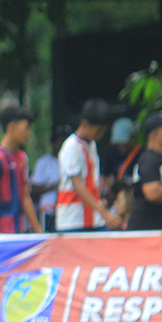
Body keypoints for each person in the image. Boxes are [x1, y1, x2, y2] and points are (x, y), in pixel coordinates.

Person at [55, 99, 121, 232]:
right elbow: (78, 185)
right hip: (73, 220)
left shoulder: (91, 145)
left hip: (93, 217)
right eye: (98, 131)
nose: (100, 136)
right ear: (84, 124)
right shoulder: (71, 146)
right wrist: (104, 212)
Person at [0, 105, 42, 234]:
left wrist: (38, 230)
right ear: (11, 127)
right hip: (2, 231)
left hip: (18, 229)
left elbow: (25, 195)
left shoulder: (22, 157)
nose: (28, 133)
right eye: (26, 128)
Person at [129, 111, 162, 231]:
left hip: (161, 232)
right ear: (153, 134)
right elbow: (152, 192)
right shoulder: (148, 160)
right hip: (146, 233)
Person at [31, 125, 71, 231]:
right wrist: (53, 186)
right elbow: (33, 189)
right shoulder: (44, 162)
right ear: (54, 143)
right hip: (48, 211)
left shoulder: (71, 161)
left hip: (68, 211)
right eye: (60, 141)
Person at [102, 117, 141, 190]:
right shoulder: (111, 155)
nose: (122, 146)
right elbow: (106, 176)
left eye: (124, 143)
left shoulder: (140, 153)